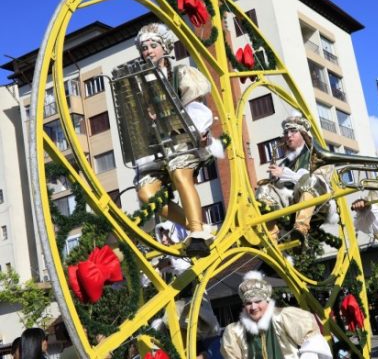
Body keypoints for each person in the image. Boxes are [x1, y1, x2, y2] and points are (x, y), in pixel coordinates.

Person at [132, 23, 222, 257]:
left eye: (153, 46)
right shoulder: (140, 84)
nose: (148, 51)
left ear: (164, 48)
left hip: (182, 140)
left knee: (180, 173)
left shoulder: (180, 74)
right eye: (144, 48)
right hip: (157, 148)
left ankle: (197, 233)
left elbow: (196, 107)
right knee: (146, 194)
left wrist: (199, 132)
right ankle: (198, 225)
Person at [255, 115, 336, 246]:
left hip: (318, 206)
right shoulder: (284, 162)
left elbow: (319, 181)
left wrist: (286, 174)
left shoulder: (318, 154)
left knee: (311, 180)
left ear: (304, 133)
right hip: (292, 208)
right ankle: (271, 239)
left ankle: (300, 230)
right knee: (264, 190)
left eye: (293, 131)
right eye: (286, 132)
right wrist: (274, 183)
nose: (288, 135)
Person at [221, 271, 333, 358]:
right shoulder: (234, 332)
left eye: (258, 301)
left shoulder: (284, 317)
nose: (253, 307)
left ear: (267, 301)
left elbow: (313, 341)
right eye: (248, 303)